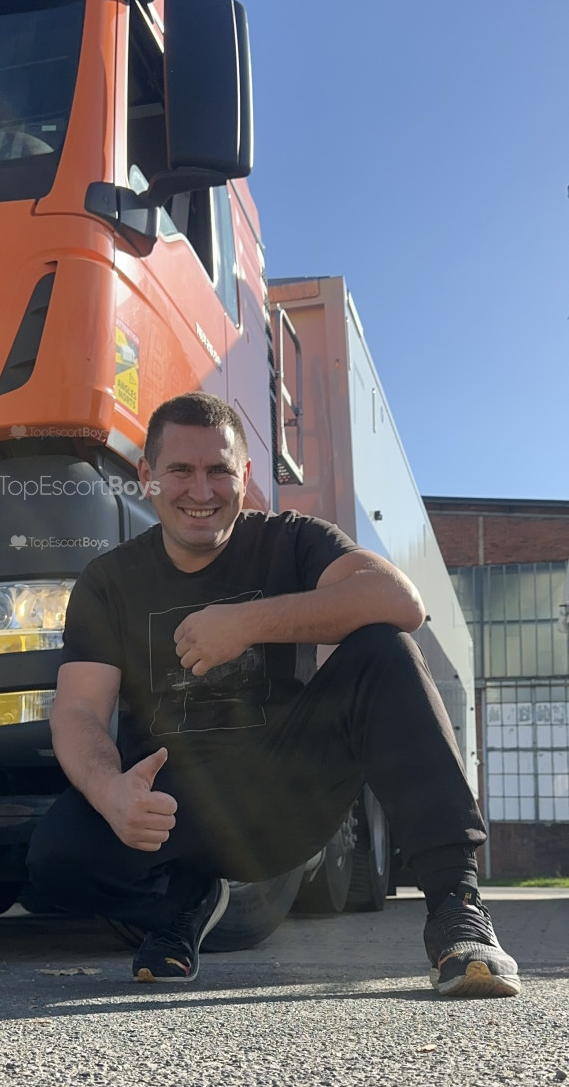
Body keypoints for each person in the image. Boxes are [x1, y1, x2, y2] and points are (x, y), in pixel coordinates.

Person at [27, 392, 520, 998]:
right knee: (56, 854)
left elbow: (400, 602)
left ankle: (456, 908)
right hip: (174, 807)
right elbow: (78, 710)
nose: (201, 490)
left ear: (245, 475)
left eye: (219, 470)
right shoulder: (108, 581)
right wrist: (109, 792)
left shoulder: (291, 540)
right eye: (180, 470)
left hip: (284, 794)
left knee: (383, 647)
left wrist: (248, 622)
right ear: (148, 476)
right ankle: (180, 903)